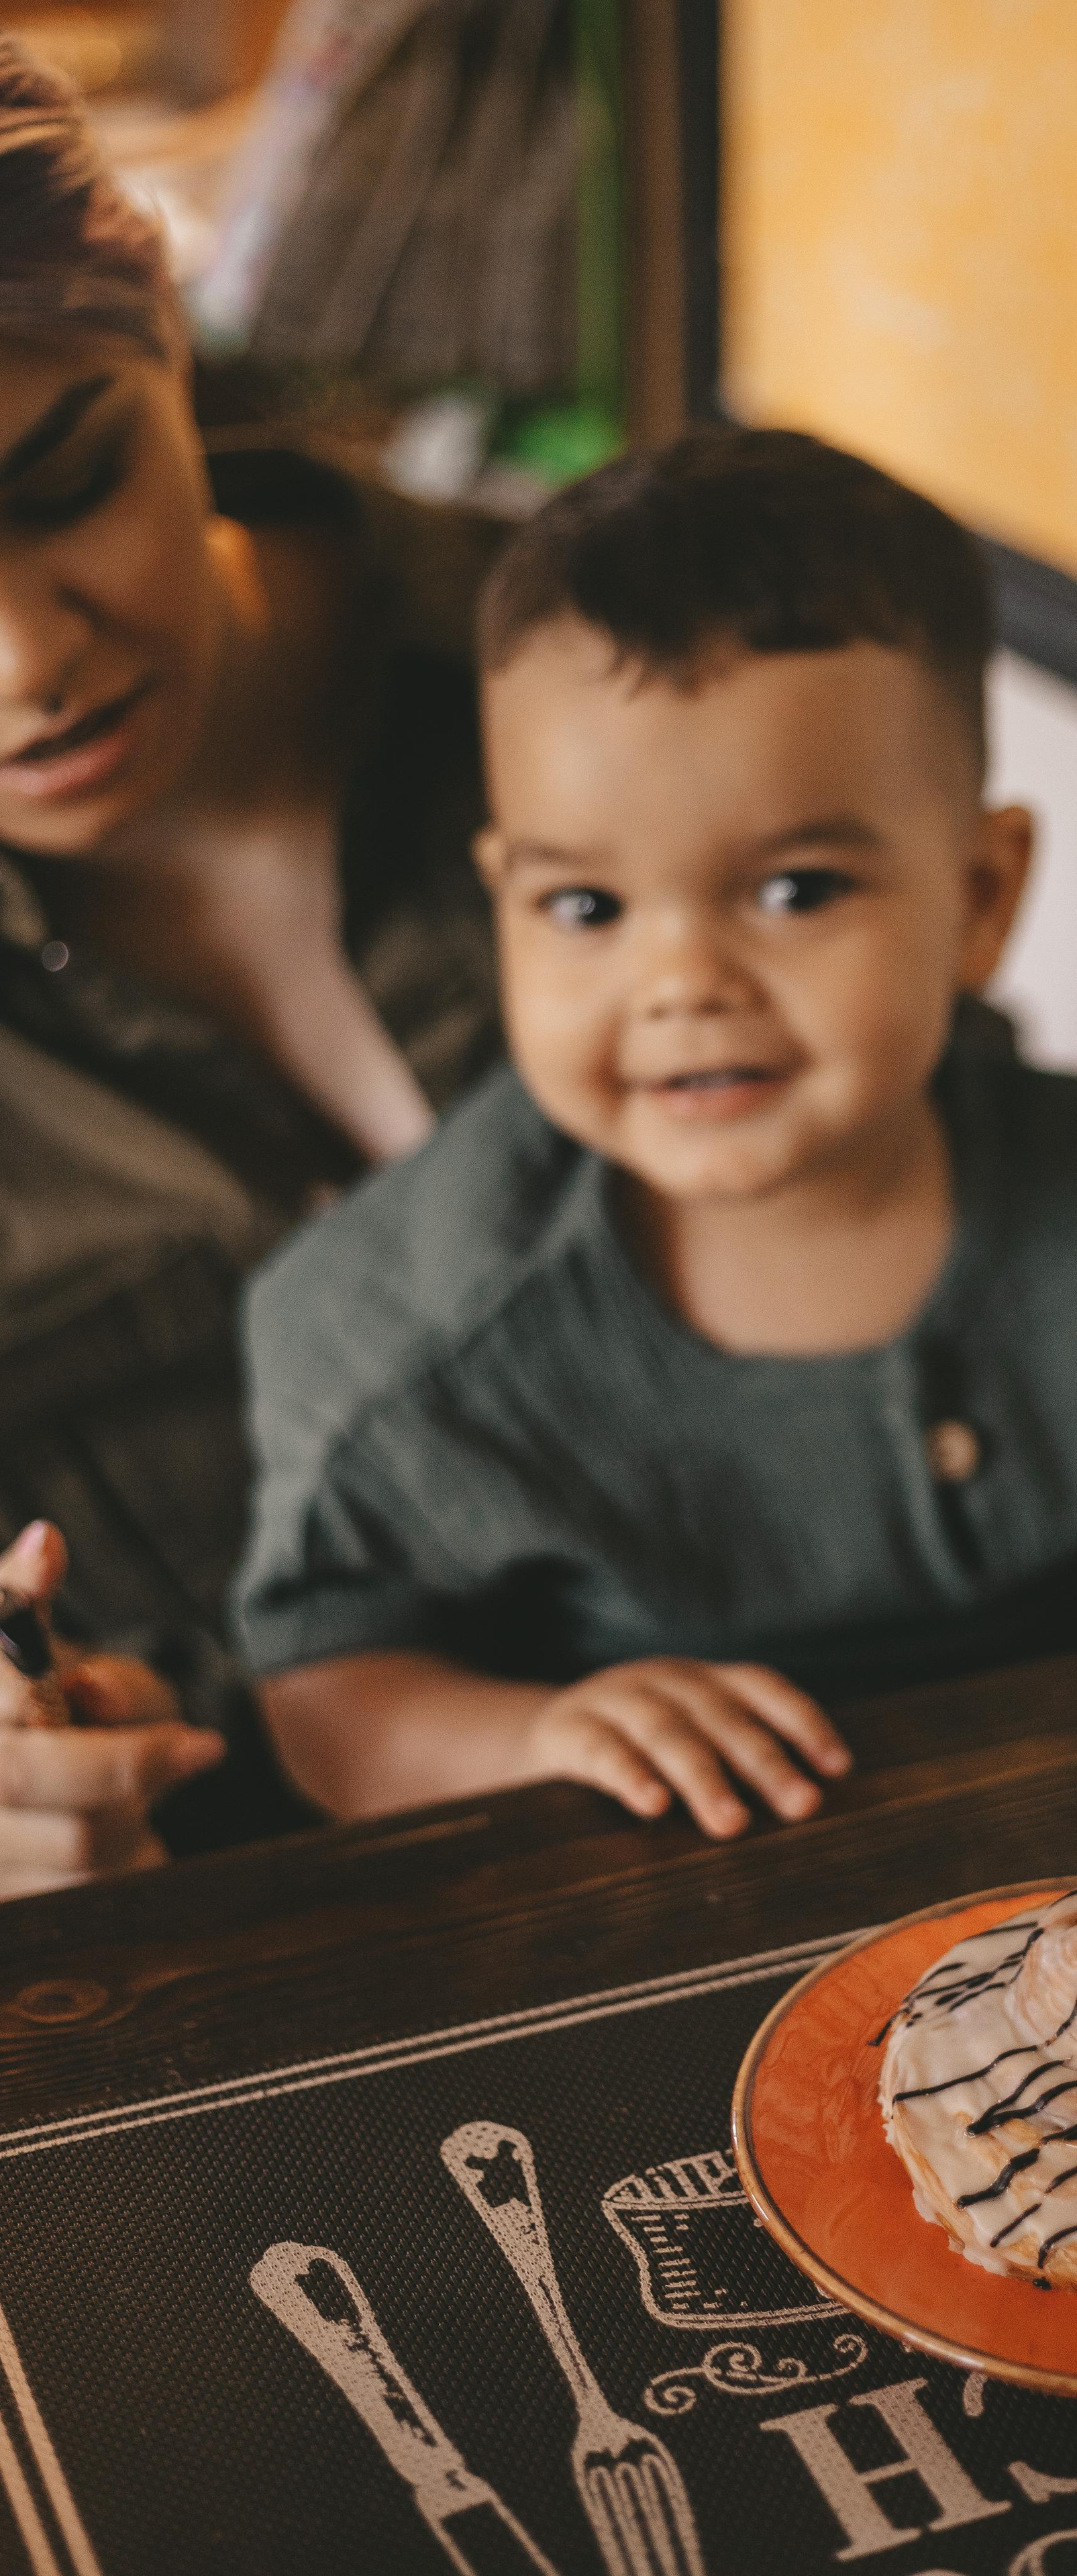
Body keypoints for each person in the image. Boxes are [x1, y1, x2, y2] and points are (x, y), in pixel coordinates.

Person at [236, 429, 1077, 1842]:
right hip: (705, 1899)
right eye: (586, 908)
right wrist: (530, 1737)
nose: (680, 983)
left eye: (793, 890)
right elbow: (326, 1688)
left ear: (978, 896)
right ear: (503, 900)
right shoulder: (403, 1337)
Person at [0, 38, 501, 1893]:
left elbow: (981, 1189)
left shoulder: (597, 663)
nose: (25, 658)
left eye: (69, 478)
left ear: (164, 320)